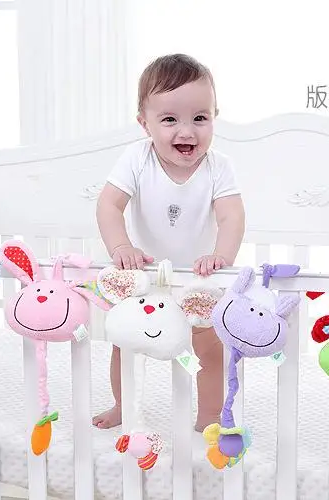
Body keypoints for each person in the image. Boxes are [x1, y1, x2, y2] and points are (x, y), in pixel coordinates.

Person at [92, 53, 246, 432]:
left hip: (197, 278)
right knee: (125, 343)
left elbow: (231, 216)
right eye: (170, 120)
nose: (186, 131)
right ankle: (123, 406)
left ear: (214, 116)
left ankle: (209, 415)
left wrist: (221, 256)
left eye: (200, 118)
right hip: (145, 277)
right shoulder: (136, 159)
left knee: (209, 348)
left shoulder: (219, 167)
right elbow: (109, 205)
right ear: (144, 124)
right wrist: (121, 248)